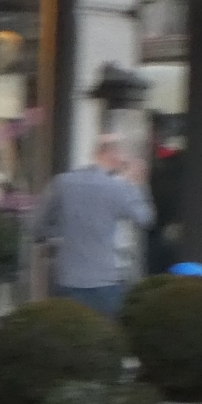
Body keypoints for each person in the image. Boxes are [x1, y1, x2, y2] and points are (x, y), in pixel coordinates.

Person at [32, 136, 155, 318]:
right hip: (104, 281)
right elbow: (145, 218)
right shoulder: (118, 189)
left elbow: (37, 227)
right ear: (113, 155)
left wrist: (58, 237)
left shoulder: (63, 183)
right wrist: (136, 184)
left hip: (67, 278)